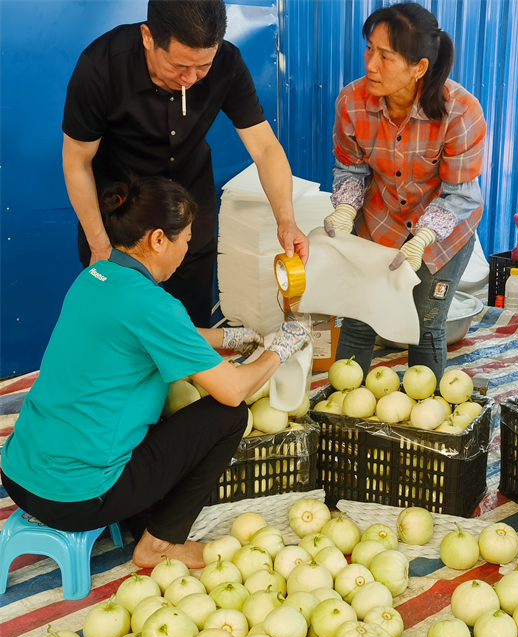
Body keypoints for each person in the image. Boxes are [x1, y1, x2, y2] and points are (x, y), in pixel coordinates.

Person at [0, 176, 310, 569]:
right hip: (76, 498)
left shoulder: (96, 277)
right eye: (186, 240)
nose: (188, 250)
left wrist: (232, 337)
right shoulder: (153, 304)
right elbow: (233, 391)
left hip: (19, 477)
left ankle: (135, 511)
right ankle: (158, 545)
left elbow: (158, 332)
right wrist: (281, 348)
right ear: (159, 239)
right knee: (228, 416)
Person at [62, 0, 308, 328]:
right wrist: (100, 245)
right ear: (148, 37)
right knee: (119, 329)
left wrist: (286, 220)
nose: (190, 79)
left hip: (190, 211)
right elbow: (77, 162)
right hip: (121, 214)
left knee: (188, 325)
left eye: (203, 67)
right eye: (179, 66)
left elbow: (265, 148)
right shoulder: (101, 67)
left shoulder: (227, 63)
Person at [323, 2, 486, 379]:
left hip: (444, 233)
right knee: (360, 317)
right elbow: (350, 167)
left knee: (424, 323)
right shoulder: (352, 102)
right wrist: (346, 208)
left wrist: (423, 237)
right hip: (379, 222)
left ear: (419, 68)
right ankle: (342, 414)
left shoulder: (460, 112)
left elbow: (460, 193)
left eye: (385, 56)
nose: (370, 64)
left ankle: (424, 424)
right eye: (369, 49)